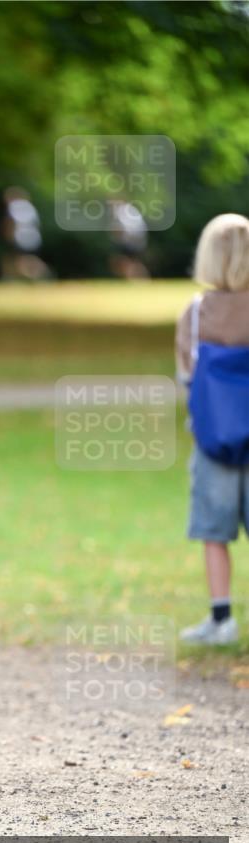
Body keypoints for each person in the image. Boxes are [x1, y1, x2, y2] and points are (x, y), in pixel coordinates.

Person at [175, 213, 249, 645]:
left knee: (214, 533)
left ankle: (221, 620)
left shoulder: (197, 312)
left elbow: (186, 374)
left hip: (214, 439)